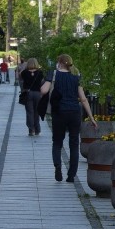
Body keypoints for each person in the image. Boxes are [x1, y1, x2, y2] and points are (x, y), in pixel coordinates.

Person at [40, 54, 97, 182]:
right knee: (74, 143)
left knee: (57, 142)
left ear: (59, 62)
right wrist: (91, 117)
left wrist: (45, 83)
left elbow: (44, 90)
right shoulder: (76, 76)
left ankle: (58, 166)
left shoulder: (53, 74)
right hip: (74, 112)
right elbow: (82, 98)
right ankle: (71, 175)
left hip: (59, 112)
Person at [20, 58, 46, 136]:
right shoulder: (40, 73)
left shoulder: (24, 72)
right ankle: (37, 129)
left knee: (29, 112)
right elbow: (42, 82)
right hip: (38, 93)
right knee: (36, 112)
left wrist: (25, 68)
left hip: (28, 93)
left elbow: (20, 76)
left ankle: (31, 130)